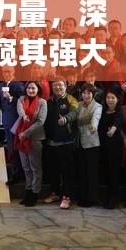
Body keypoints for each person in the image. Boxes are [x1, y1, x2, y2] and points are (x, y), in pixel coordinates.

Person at [61, 82, 102, 207]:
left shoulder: (97, 106)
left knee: (92, 172)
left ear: (93, 94)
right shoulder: (78, 105)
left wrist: (94, 126)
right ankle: (83, 196)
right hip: (78, 142)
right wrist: (67, 119)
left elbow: (96, 118)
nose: (86, 95)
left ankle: (92, 198)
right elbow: (73, 117)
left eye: (89, 93)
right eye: (84, 93)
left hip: (92, 143)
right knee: (82, 172)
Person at [43, 77, 78, 209]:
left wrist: (66, 119)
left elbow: (75, 112)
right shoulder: (48, 101)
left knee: (67, 171)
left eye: (60, 85)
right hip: (51, 141)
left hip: (66, 141)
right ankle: (55, 193)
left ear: (65, 86)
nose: (58, 87)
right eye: (55, 85)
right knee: (53, 169)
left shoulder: (71, 99)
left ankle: (67, 196)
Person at [14, 81, 47, 207]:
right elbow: (20, 110)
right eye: (29, 88)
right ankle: (28, 190)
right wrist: (24, 116)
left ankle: (35, 193)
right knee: (26, 167)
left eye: (33, 88)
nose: (31, 90)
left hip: (34, 138)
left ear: (38, 89)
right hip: (21, 137)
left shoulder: (42, 102)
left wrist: (26, 133)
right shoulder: (21, 99)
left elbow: (40, 122)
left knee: (35, 168)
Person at [98, 91, 125, 209]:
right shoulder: (103, 111)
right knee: (106, 172)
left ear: (117, 99)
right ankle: (108, 196)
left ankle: (114, 198)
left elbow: (117, 122)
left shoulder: (119, 112)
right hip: (103, 146)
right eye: (108, 97)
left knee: (114, 173)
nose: (110, 100)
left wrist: (113, 129)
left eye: (113, 98)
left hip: (115, 147)